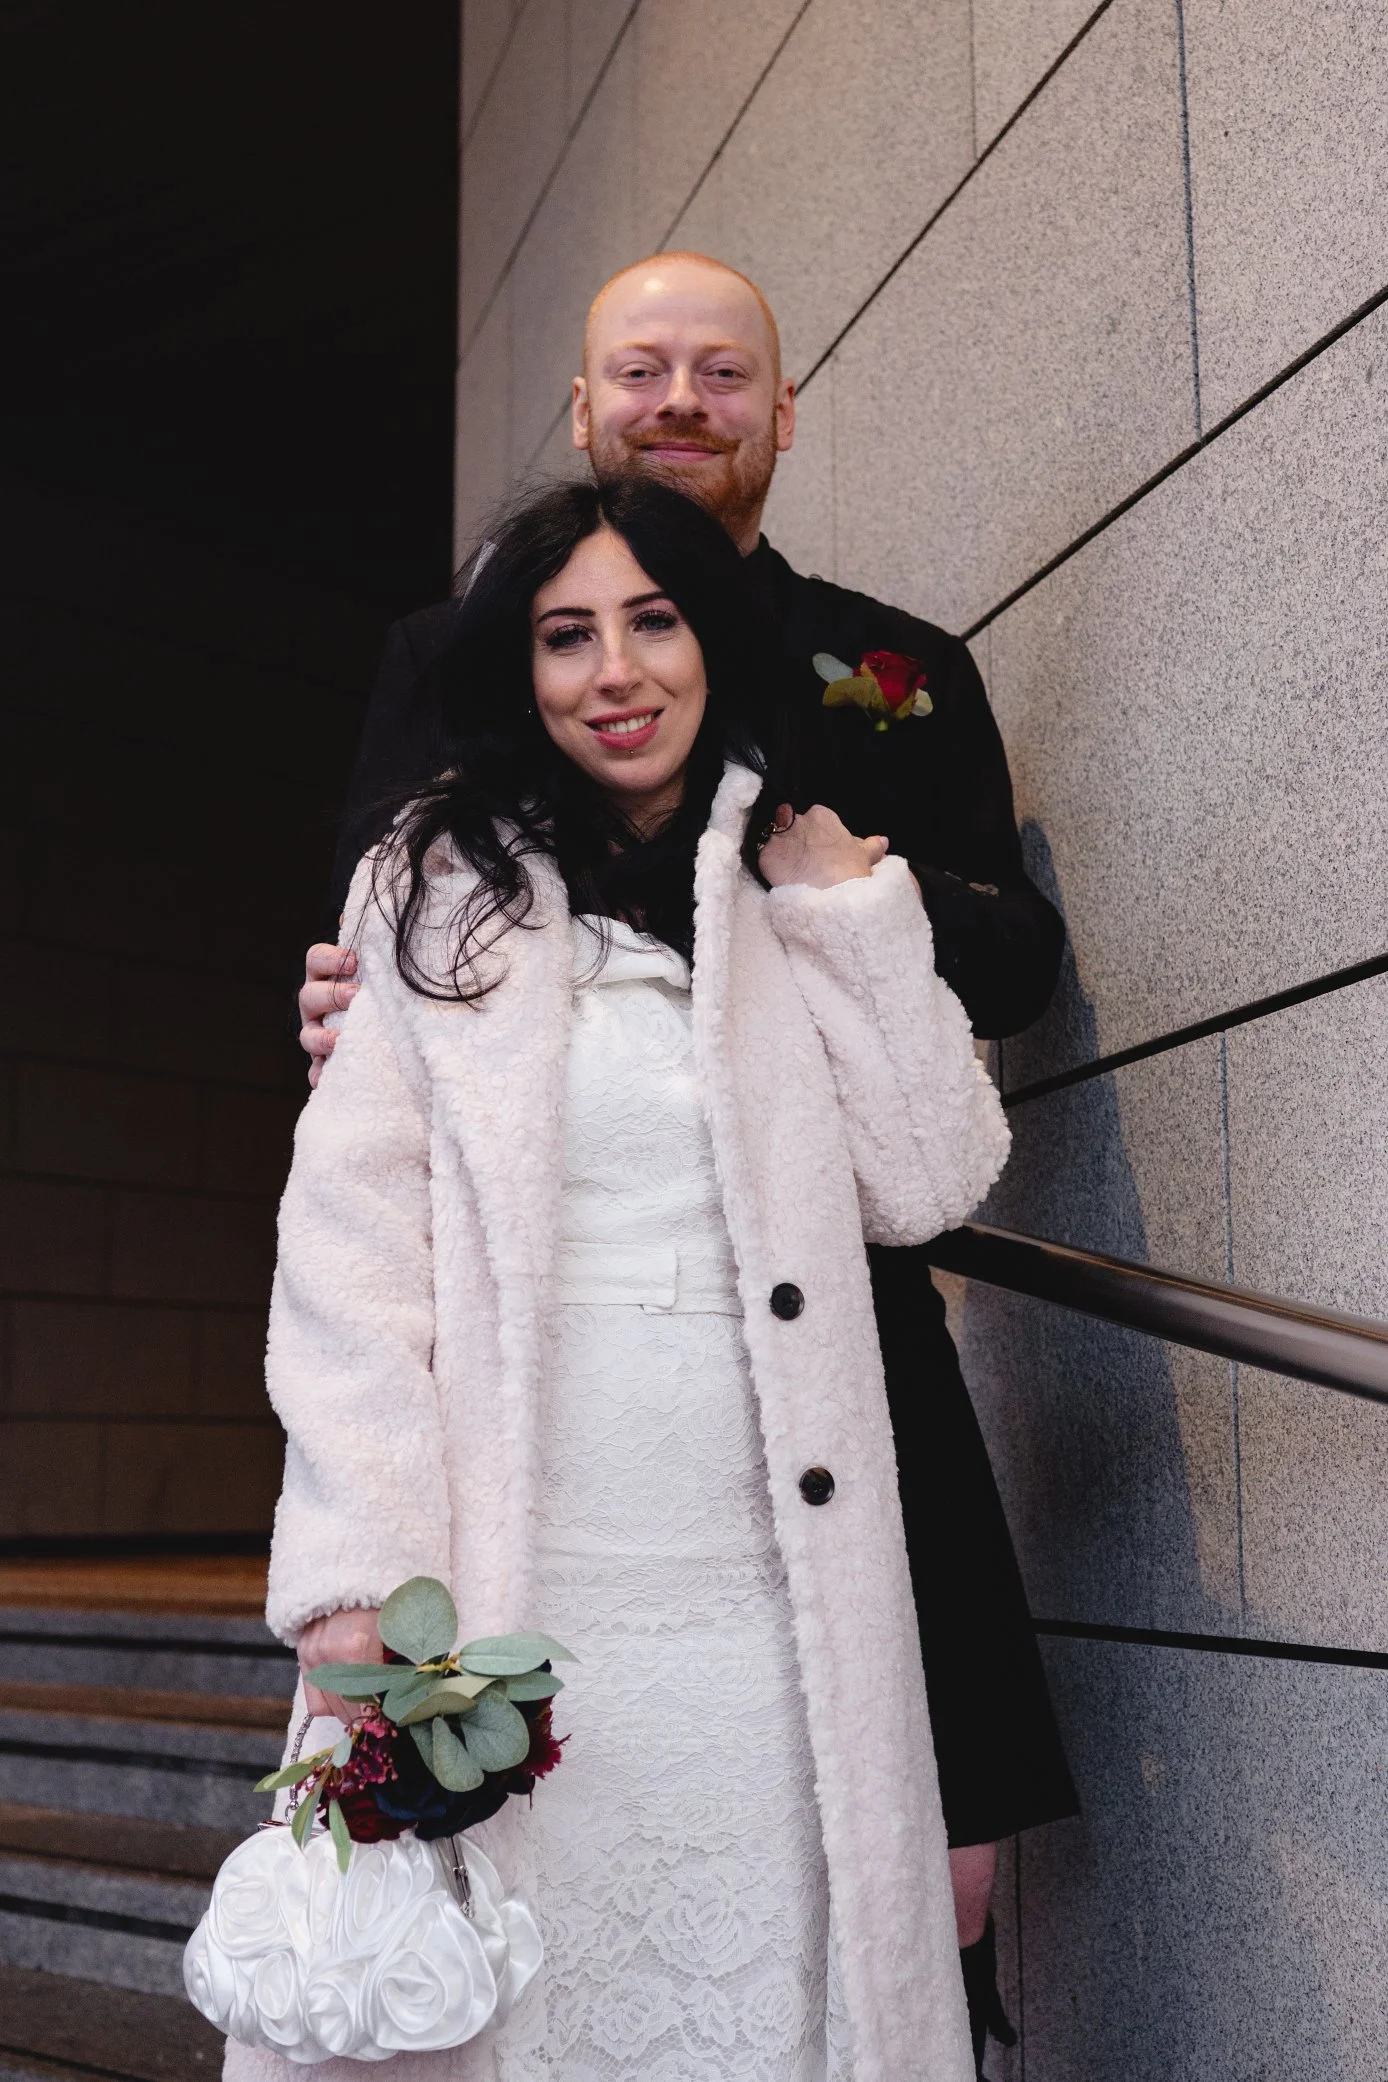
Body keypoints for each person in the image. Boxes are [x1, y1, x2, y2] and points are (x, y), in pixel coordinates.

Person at [298, 252, 1077, 2069]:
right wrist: (355, 1557)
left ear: (781, 413)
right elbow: (361, 1167)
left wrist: (859, 905)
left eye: (722, 371)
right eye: (568, 635)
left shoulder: (846, 750)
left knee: (858, 1902)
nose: (615, 668)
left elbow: (965, 1077)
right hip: (537, 1466)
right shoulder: (444, 840)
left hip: (810, 1418)